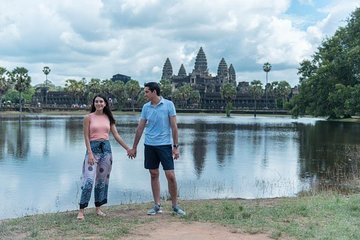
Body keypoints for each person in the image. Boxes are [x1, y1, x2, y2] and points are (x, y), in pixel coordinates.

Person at [129, 82, 186, 216]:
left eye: (146, 92)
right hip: (149, 145)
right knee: (154, 174)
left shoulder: (168, 105)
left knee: (170, 176)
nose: (145, 94)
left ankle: (175, 206)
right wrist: (134, 147)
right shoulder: (146, 107)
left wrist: (176, 147)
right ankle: (157, 205)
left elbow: (174, 127)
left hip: (165, 145)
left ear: (154, 92)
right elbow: (140, 128)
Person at [77, 94, 131, 220]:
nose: (99, 103)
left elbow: (116, 136)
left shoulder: (109, 118)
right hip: (93, 150)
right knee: (88, 181)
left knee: (101, 181)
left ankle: (98, 208)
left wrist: (128, 148)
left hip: (106, 150)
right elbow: (86, 137)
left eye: (101, 101)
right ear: (93, 103)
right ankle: (81, 210)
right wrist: (89, 152)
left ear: (105, 103)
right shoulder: (88, 117)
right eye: (96, 101)